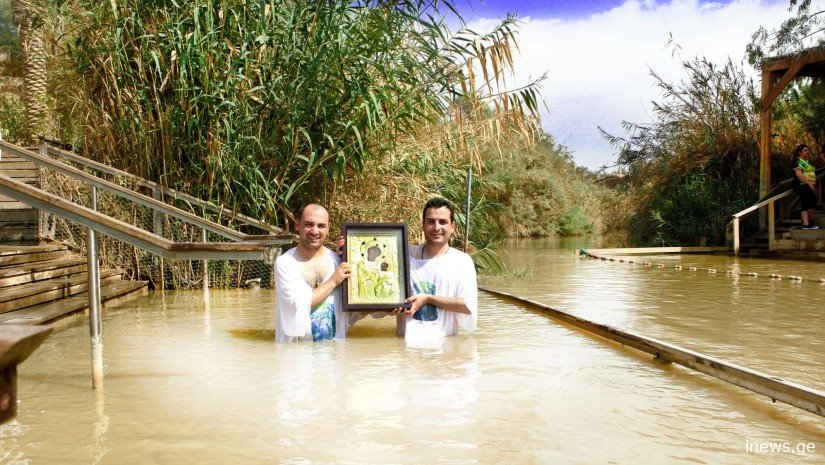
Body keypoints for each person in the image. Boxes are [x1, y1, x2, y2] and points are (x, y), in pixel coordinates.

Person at [393, 197, 478, 338]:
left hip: (444, 349)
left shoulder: (462, 261)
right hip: (405, 351)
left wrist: (428, 299)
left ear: (453, 226)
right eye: (431, 221)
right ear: (423, 225)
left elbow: (467, 305)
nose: (437, 227)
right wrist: (344, 252)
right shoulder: (402, 256)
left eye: (443, 222)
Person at [275, 204, 351, 342]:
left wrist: (396, 306)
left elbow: (354, 309)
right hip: (296, 356)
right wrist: (333, 281)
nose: (315, 231)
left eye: (321, 226)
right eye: (309, 224)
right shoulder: (285, 263)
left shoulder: (338, 263)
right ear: (297, 224)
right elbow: (299, 303)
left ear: (328, 227)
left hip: (335, 357)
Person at [791, 144, 819, 230]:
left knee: (805, 203)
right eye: (805, 150)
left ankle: (806, 225)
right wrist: (809, 183)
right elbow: (799, 174)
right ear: (800, 152)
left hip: (807, 184)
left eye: (808, 150)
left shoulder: (805, 161)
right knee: (812, 202)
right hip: (802, 184)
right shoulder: (797, 161)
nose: (807, 152)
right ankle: (811, 221)